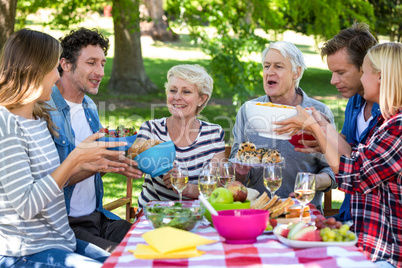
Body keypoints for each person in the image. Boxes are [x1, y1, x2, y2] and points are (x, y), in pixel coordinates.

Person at [0, 29, 126, 267]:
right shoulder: (6, 123)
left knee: (132, 261)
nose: (58, 76)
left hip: (61, 241)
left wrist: (97, 162)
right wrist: (75, 160)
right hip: (26, 250)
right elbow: (27, 205)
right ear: (33, 70)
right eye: (53, 68)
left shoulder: (39, 118)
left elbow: (52, 181)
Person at [275, 42, 402, 267]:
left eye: (365, 72)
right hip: (369, 245)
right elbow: (355, 159)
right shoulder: (387, 122)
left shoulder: (398, 127)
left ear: (381, 77)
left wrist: (315, 127)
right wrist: (323, 127)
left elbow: (354, 176)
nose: (362, 79)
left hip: (388, 254)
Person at [47, 28, 143, 253]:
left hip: (97, 217)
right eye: (91, 63)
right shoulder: (45, 110)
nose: (99, 71)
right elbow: (49, 184)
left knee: (154, 243)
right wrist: (100, 163)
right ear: (66, 64)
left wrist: (117, 162)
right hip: (64, 226)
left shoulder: (89, 106)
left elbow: (94, 168)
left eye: (102, 63)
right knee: (128, 260)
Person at [230, 41, 336, 212]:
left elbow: (333, 170)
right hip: (257, 210)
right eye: (266, 66)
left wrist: (313, 182)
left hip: (303, 211)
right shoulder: (247, 111)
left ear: (297, 72)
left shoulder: (318, 112)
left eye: (278, 66)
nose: (269, 72)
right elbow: (237, 166)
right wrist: (240, 171)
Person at [306, 23, 379, 222]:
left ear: (365, 68)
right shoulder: (354, 102)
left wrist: (323, 131)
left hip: (377, 220)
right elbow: (347, 148)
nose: (332, 80)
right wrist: (322, 142)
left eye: (340, 72)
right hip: (351, 211)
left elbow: (356, 168)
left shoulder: (391, 113)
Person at [136, 64, 226, 208]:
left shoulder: (213, 133)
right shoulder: (151, 129)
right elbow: (135, 160)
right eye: (173, 90)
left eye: (186, 92)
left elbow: (217, 187)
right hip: (153, 217)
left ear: (201, 99)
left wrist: (187, 187)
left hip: (196, 217)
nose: (177, 97)